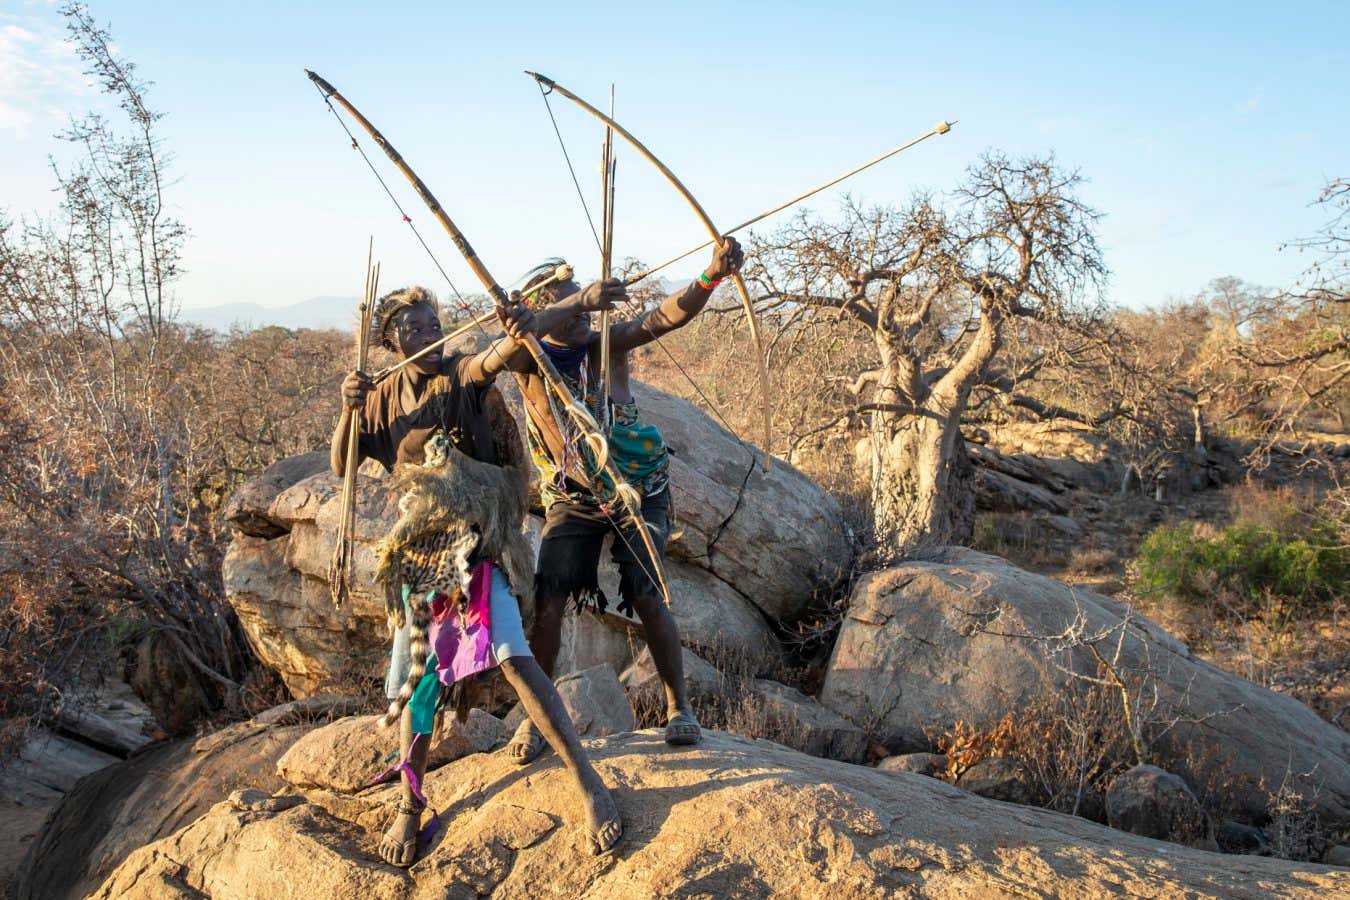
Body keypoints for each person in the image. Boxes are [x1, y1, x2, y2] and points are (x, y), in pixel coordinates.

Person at [331, 283, 623, 865]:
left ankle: (588, 783)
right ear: (391, 341)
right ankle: (409, 806)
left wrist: (577, 303)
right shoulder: (385, 396)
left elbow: (503, 354)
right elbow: (342, 464)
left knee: (514, 654)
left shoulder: (460, 372)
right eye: (413, 329)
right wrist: (349, 406)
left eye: (433, 322)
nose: (428, 335)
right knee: (419, 683)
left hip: (482, 542)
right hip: (423, 554)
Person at [503, 238, 745, 764]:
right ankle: (539, 719)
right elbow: (520, 340)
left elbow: (662, 319)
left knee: (647, 592)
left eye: (582, 299)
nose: (584, 313)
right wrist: (573, 302)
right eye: (568, 305)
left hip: (638, 487)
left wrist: (710, 276)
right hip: (574, 496)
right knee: (550, 599)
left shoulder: (606, 344)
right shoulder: (529, 360)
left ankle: (681, 709)